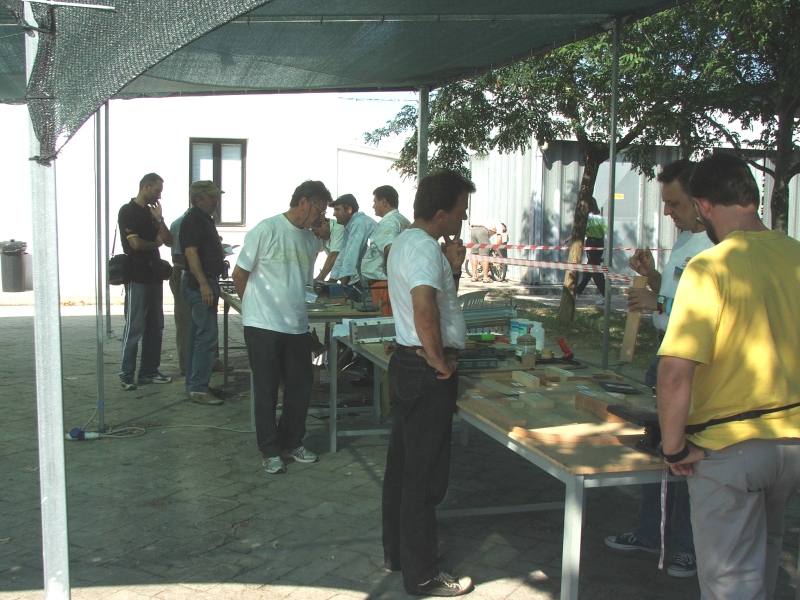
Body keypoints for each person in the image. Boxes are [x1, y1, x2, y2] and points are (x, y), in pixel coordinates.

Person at [657, 153, 800, 599]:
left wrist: (673, 447)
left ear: (704, 205)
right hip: (792, 443)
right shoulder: (796, 256)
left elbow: (674, 373)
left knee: (732, 582)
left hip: (729, 447)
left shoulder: (710, 267)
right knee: (766, 557)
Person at [604, 160, 712, 578]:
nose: (667, 212)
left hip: (692, 364)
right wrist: (651, 279)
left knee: (686, 454)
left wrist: (661, 302)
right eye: (665, 203)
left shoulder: (717, 246)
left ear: (701, 201)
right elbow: (673, 292)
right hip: (667, 354)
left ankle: (688, 545)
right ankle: (651, 531)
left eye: (675, 203)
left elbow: (706, 312)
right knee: (659, 447)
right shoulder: (686, 238)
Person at [382, 169, 474, 597]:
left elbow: (435, 300)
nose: (463, 218)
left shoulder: (409, 242)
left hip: (410, 364)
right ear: (441, 214)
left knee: (403, 468)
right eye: (460, 210)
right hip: (425, 369)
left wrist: (452, 269)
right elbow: (424, 309)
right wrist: (440, 361)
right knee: (424, 477)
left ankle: (399, 554)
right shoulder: (421, 247)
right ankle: (421, 575)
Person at [232, 180, 332, 475]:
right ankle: (270, 450)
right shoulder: (267, 230)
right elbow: (239, 274)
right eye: (320, 210)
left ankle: (292, 442)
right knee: (266, 390)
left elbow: (301, 282)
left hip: (297, 326)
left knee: (300, 387)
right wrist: (254, 309)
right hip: (263, 325)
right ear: (303, 202)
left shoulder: (309, 240)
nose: (322, 217)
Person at [117, 173, 173, 391]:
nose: (159, 196)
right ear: (146, 187)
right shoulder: (128, 211)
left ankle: (149, 371)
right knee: (135, 326)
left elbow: (168, 240)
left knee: (155, 325)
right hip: (137, 276)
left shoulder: (152, 214)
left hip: (154, 276)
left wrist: (160, 219)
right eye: (157, 191)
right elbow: (136, 245)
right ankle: (126, 374)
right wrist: (156, 243)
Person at [180, 181, 226, 406]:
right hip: (200, 283)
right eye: (212, 197)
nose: (216, 201)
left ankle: (195, 384)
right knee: (206, 336)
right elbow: (191, 252)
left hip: (205, 280)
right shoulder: (194, 219)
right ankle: (198, 387)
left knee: (197, 335)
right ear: (199, 200)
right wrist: (203, 284)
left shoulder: (204, 218)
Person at [360, 184, 411, 317]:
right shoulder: (403, 221)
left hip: (384, 286)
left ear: (383, 202)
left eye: (375, 202)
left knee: (384, 324)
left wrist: (391, 275)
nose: (373, 206)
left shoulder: (388, 222)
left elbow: (390, 249)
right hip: (393, 284)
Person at [329, 194, 377, 287]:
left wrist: (342, 287)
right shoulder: (350, 226)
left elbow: (351, 255)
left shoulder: (359, 223)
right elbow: (342, 255)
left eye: (337, 210)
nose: (334, 214)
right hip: (370, 278)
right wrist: (331, 280)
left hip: (378, 279)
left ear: (349, 210)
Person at [566, 197, 606, 304]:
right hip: (600, 244)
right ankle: (578, 291)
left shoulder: (588, 218)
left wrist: (567, 240)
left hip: (591, 243)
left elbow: (580, 232)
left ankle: (606, 295)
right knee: (589, 269)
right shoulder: (600, 217)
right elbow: (604, 231)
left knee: (595, 270)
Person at [469, 218, 506, 283]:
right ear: (503, 226)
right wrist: (498, 251)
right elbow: (499, 239)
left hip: (473, 230)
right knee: (485, 256)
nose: (502, 231)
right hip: (482, 230)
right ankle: (485, 278)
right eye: (503, 230)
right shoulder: (499, 225)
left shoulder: (490, 223)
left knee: (474, 254)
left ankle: (474, 277)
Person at [312, 217, 344, 281]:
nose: (318, 238)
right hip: (343, 275)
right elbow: (314, 254)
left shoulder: (338, 228)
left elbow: (334, 255)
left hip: (359, 275)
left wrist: (320, 279)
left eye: (318, 233)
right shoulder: (322, 234)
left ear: (325, 224)